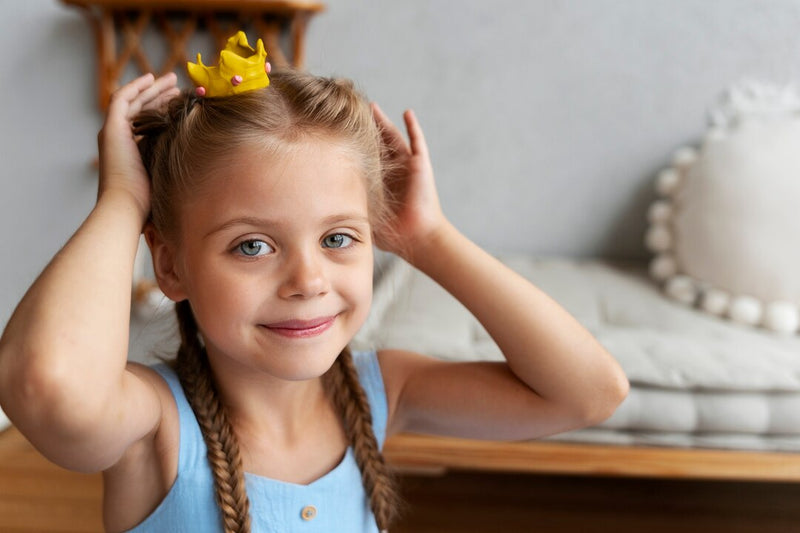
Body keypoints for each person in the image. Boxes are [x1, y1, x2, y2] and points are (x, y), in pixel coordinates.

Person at [0, 33, 628, 533]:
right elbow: (44, 383)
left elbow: (589, 393)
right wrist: (119, 202)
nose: (308, 279)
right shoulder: (153, 428)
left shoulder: (389, 393)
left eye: (337, 239)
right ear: (171, 267)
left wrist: (428, 239)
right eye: (253, 245)